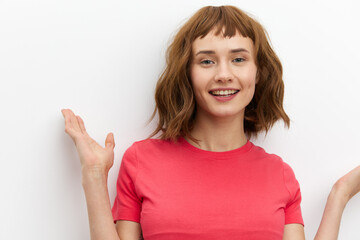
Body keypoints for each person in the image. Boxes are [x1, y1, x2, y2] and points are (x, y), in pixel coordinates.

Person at [61, 5, 360, 240]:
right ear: (187, 73)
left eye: (239, 59)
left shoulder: (279, 174)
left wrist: (340, 194)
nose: (223, 74)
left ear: (259, 72)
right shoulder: (142, 160)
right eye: (207, 61)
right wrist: (94, 175)